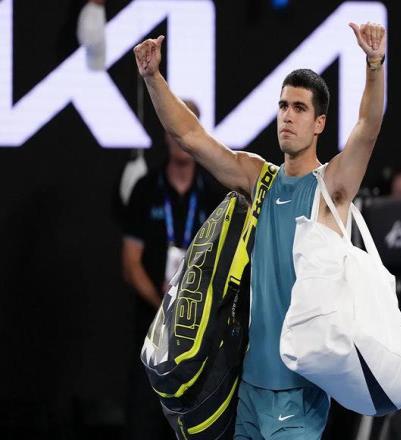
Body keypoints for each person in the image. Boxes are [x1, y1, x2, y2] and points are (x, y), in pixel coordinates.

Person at [133, 20, 386, 439]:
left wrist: (374, 64)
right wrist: (152, 77)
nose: (287, 116)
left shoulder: (331, 188)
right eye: (283, 106)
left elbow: (367, 129)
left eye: (299, 108)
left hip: (299, 395)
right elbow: (190, 135)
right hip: (247, 389)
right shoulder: (258, 179)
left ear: (320, 123)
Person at [121, 100, 221, 440]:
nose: (180, 136)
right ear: (165, 133)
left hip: (196, 341)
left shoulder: (213, 196)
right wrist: (162, 302)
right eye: (174, 127)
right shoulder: (146, 189)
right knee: (143, 426)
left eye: (187, 127)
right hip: (150, 335)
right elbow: (130, 262)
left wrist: (188, 301)